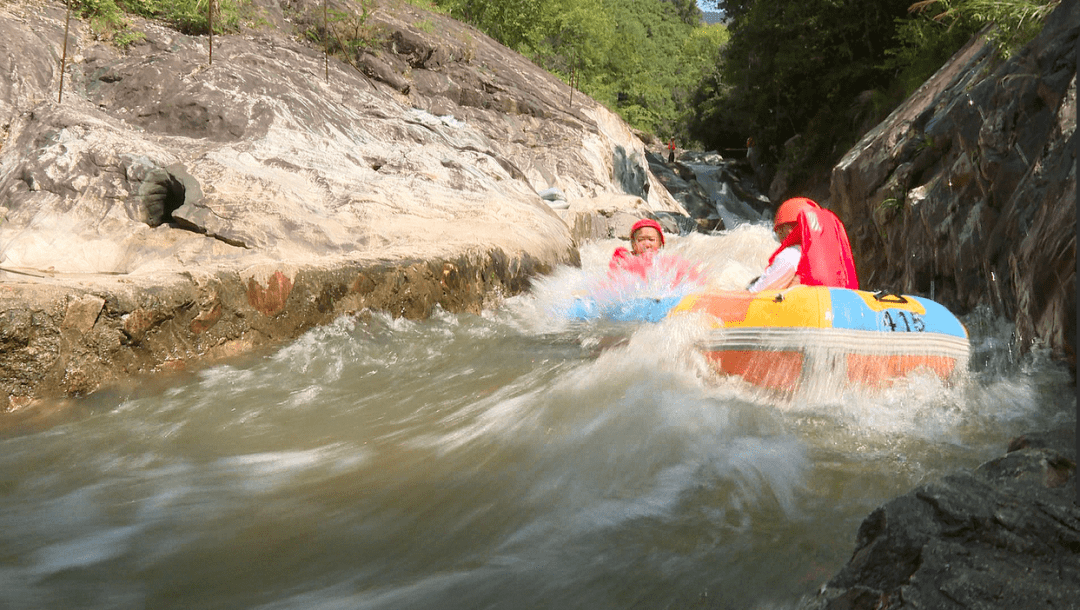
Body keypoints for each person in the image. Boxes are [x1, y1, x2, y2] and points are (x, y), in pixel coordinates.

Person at [747, 197, 858, 292]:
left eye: (779, 231)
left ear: (786, 230)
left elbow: (757, 292)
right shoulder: (835, 257)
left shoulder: (791, 254)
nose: (780, 238)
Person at [609, 218, 701, 286]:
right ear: (633, 244)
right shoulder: (626, 259)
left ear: (660, 243)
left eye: (651, 239)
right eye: (641, 240)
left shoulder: (667, 263)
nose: (647, 244)